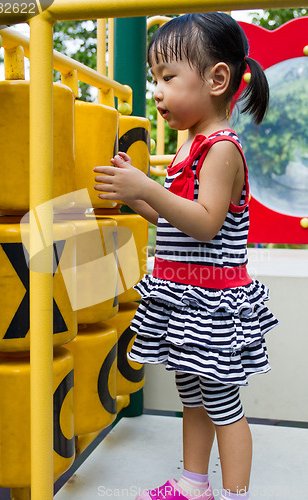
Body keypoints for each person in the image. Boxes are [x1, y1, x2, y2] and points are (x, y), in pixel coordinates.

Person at [94, 12, 278, 500]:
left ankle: (236, 493)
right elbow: (173, 220)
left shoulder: (221, 149)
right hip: (183, 297)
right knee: (191, 397)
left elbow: (205, 221)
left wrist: (146, 186)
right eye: (155, 79)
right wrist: (136, 196)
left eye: (168, 78)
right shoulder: (187, 150)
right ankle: (194, 483)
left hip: (212, 302)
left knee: (222, 404)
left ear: (217, 79)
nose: (156, 90)